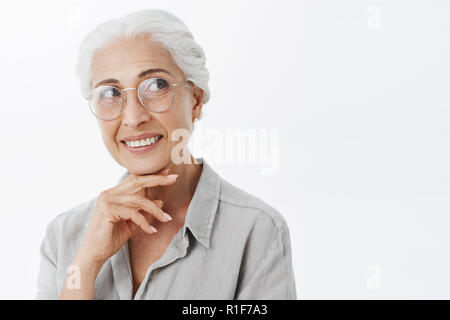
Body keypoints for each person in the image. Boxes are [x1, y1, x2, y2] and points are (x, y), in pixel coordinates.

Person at [36, 9, 297, 300]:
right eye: (111, 93)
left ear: (196, 100)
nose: (133, 118)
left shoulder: (257, 231)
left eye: (156, 85)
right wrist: (85, 264)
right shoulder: (64, 235)